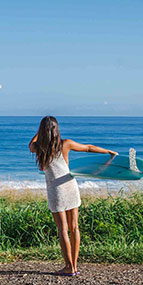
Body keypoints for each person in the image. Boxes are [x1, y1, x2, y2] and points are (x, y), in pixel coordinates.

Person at [29, 116, 117, 276]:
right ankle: (74, 266)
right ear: (57, 130)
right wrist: (108, 152)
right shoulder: (65, 144)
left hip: (56, 191)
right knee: (74, 227)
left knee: (63, 230)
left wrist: (40, 132)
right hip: (70, 186)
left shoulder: (39, 147)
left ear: (42, 131)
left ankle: (69, 266)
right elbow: (88, 148)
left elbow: (30, 145)